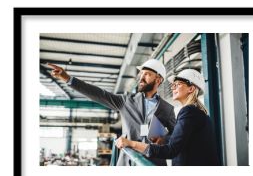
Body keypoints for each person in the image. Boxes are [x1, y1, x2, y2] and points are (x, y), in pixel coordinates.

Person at [48, 59, 176, 166]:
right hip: (128, 162)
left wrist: (164, 139)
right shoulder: (126, 101)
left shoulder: (167, 109)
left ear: (158, 80)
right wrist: (68, 79)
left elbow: (177, 136)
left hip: (153, 163)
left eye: (147, 74)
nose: (141, 78)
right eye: (141, 74)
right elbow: (99, 94)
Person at [116, 69, 220, 166]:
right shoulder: (198, 112)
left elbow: (170, 151)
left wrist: (131, 143)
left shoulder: (189, 112)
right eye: (173, 85)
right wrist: (164, 139)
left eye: (178, 84)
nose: (172, 88)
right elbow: (188, 140)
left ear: (191, 89)